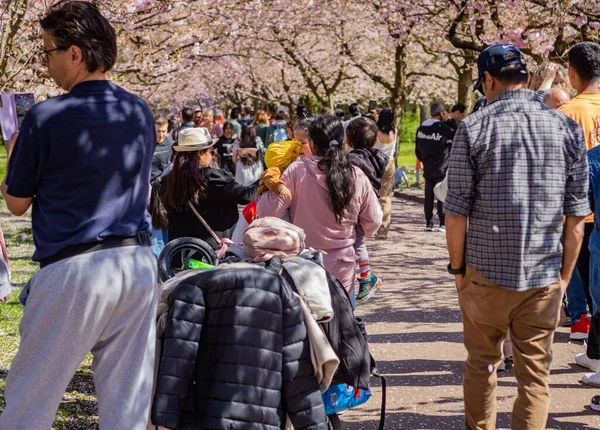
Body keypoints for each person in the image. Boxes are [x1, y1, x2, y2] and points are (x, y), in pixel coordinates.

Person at [0, 2, 158, 429]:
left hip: (75, 266)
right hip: (136, 264)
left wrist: (14, 156)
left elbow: (16, 202)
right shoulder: (139, 111)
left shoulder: (47, 116)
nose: (46, 62)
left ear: (75, 53)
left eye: (49, 51)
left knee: (29, 401)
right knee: (127, 407)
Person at [445, 43, 589, 430]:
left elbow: (456, 212)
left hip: (484, 272)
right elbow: (576, 215)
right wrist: (562, 278)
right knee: (535, 378)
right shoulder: (566, 127)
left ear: (489, 80)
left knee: (481, 366)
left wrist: (457, 270)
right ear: (525, 77)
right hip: (543, 276)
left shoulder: (474, 127)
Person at [257, 115, 382, 301]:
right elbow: (373, 222)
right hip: (343, 264)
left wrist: (269, 182)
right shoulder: (356, 175)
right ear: (343, 142)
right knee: (343, 322)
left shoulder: (296, 170)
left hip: (304, 264)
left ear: (312, 143)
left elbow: (266, 212)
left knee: (306, 323)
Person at [557, 41, 600, 380]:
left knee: (589, 286)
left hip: (580, 213)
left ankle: (594, 351)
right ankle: (594, 351)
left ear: (572, 71)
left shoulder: (567, 112)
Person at [150, 127, 257, 251]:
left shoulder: (166, 181)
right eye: (211, 151)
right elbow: (246, 195)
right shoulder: (212, 177)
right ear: (200, 153)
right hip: (211, 255)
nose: (213, 155)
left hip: (179, 254)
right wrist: (266, 178)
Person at [346, 117, 388, 301]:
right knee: (358, 240)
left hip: (356, 203)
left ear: (348, 141)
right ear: (374, 140)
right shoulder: (376, 158)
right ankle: (365, 275)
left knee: (356, 240)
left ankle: (366, 276)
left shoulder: (352, 160)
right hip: (369, 203)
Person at [415, 102, 454, 232]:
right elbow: (457, 133)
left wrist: (423, 159)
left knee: (428, 195)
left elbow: (417, 151)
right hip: (442, 166)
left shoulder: (421, 129)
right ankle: (442, 223)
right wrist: (449, 120)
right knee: (441, 194)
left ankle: (429, 222)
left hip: (428, 166)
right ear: (442, 113)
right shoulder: (444, 129)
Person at [374, 108, 396, 239]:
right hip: (390, 164)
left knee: (370, 196)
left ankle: (369, 225)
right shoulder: (394, 131)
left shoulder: (376, 132)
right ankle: (383, 229)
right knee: (386, 198)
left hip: (375, 164)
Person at [151, 114, 174, 182]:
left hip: (164, 185)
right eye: (158, 131)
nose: (161, 135)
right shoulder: (146, 144)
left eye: (164, 131)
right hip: (147, 186)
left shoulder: (172, 145)